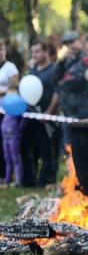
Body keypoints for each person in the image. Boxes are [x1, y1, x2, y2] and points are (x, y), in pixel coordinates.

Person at [22, 40, 59, 187]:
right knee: (27, 148)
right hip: (31, 116)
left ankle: (46, 180)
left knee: (47, 151)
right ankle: (29, 180)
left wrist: (49, 112)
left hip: (47, 117)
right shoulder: (32, 70)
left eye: (37, 51)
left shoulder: (54, 70)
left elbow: (57, 93)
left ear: (46, 52)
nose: (34, 55)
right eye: (33, 52)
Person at [0, 38, 21, 181]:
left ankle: (7, 175)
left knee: (7, 147)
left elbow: (16, 88)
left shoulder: (10, 67)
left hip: (6, 111)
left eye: (1, 49)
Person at [1, 84, 26, 187]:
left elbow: (24, 119)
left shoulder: (19, 106)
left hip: (14, 136)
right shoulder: (6, 107)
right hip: (5, 136)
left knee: (15, 157)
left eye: (13, 92)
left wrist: (18, 130)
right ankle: (7, 178)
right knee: (7, 158)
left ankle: (18, 180)